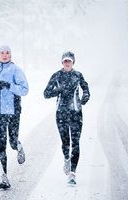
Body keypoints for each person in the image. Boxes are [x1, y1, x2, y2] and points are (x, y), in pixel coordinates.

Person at [0, 45, 29, 189]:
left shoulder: (16, 70)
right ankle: (4, 177)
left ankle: (19, 147)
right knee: (1, 144)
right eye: (2, 53)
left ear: (11, 55)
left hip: (13, 111)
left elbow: (24, 89)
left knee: (12, 142)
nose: (4, 55)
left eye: (7, 52)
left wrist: (8, 85)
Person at [43, 51, 90, 184]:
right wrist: (58, 90)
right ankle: (66, 159)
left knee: (75, 143)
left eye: (69, 61)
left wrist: (85, 97)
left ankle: (73, 173)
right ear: (62, 62)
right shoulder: (56, 76)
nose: (67, 63)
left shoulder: (78, 75)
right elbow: (46, 93)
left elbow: (86, 89)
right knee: (66, 143)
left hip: (76, 113)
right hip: (61, 113)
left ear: (73, 62)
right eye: (65, 61)